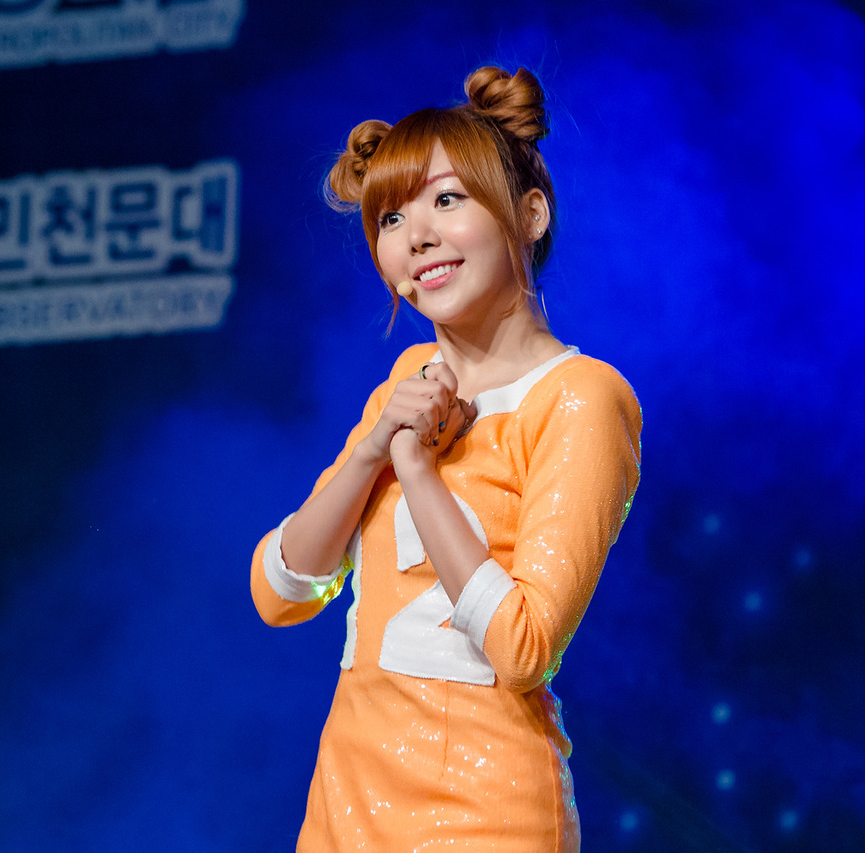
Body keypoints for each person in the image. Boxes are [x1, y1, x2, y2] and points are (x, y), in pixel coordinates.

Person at [250, 66, 642, 851]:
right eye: (392, 217)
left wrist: (419, 472)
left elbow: (523, 647)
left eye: (448, 200)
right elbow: (280, 591)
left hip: (485, 813)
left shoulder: (581, 396)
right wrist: (373, 449)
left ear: (529, 213)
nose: (416, 235)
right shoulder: (406, 382)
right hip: (345, 809)